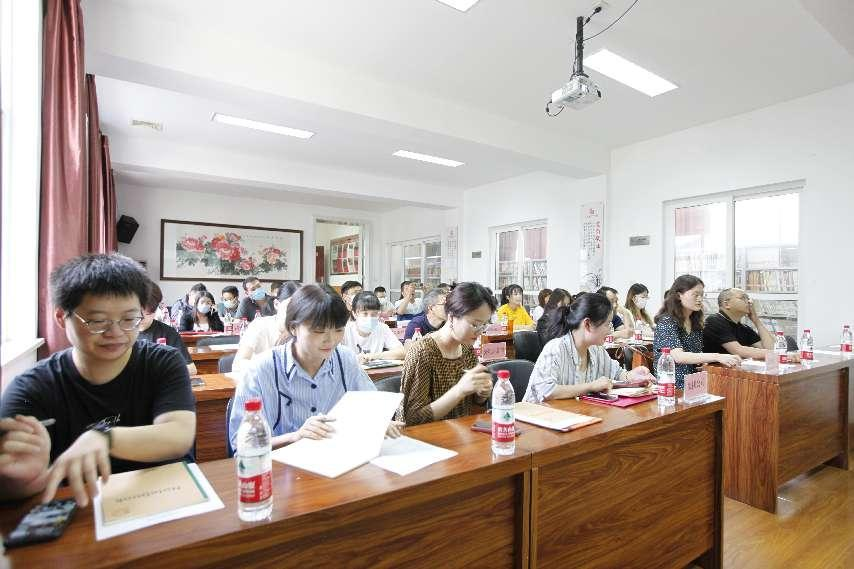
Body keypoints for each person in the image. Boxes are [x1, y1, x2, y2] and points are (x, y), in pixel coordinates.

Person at [0, 254, 196, 506]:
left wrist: (104, 437)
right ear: (61, 317)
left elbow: (178, 435)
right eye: (98, 321)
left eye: (129, 319)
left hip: (162, 499)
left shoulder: (163, 362)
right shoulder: (32, 388)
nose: (115, 332)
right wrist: (26, 481)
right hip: (83, 508)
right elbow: (11, 486)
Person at [228, 284, 401, 451]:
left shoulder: (345, 359)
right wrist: (295, 437)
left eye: (338, 330)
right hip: (281, 466)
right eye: (319, 331)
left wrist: (378, 421)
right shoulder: (261, 370)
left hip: (338, 458)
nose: (330, 340)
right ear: (293, 328)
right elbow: (241, 443)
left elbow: (371, 407)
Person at [396, 282, 496, 425]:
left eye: (484, 325)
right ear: (451, 317)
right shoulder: (423, 352)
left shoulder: (466, 349)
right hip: (426, 436)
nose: (479, 332)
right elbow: (413, 419)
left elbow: (473, 405)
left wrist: (481, 394)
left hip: (459, 431)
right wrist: (460, 390)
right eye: (474, 324)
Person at [524, 292, 652, 402]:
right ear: (587, 324)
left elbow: (617, 373)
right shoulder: (556, 348)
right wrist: (590, 386)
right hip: (537, 418)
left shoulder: (596, 349)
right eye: (607, 325)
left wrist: (632, 376)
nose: (610, 331)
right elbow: (546, 391)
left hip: (571, 415)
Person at [653, 275, 741, 388]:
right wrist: (717, 356)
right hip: (672, 386)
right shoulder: (667, 321)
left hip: (695, 383)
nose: (700, 299)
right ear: (679, 295)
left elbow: (696, 353)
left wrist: (703, 362)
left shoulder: (695, 322)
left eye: (701, 295)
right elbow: (678, 356)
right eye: (695, 295)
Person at [232, 281, 302, 372]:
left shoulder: (305, 329)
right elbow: (238, 365)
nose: (295, 313)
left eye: (301, 309)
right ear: (276, 304)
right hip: (260, 377)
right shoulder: (259, 325)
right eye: (290, 308)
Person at [137, 281, 197, 375]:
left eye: (148, 313)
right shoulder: (121, 332)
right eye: (138, 312)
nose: (142, 318)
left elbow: (191, 369)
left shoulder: (168, 333)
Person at [703, 288, 775, 359]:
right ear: (727, 304)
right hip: (713, 366)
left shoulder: (744, 328)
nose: (749, 302)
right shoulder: (714, 320)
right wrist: (775, 353)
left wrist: (756, 320)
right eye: (743, 298)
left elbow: (771, 348)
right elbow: (738, 350)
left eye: (748, 298)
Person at [342, 291, 405, 363]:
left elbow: (402, 352)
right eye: (365, 314)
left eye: (374, 314)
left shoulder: (382, 328)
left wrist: (373, 356)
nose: (369, 318)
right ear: (355, 314)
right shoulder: (345, 330)